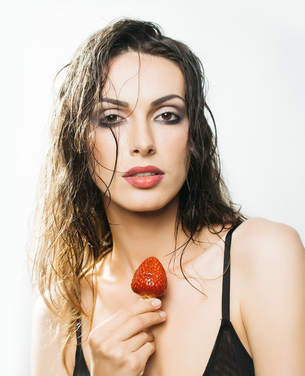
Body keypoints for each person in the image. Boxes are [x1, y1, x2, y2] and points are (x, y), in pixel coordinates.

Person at [29, 18, 305, 376]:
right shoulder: (60, 311)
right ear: (78, 141)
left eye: (166, 115)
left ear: (193, 137)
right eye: (112, 118)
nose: (143, 143)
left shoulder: (264, 256)